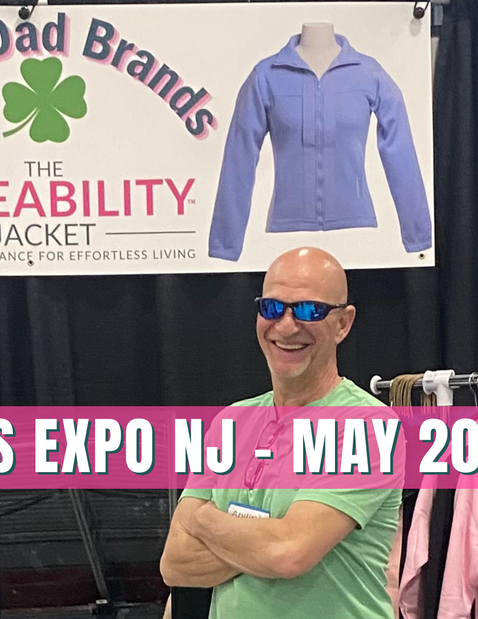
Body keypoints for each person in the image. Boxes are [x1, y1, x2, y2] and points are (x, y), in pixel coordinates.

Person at [159, 247, 405, 619]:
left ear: (343, 323)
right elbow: (176, 565)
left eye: (309, 310)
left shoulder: (368, 426)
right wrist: (267, 540)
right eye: (273, 308)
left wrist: (202, 519)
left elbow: (288, 553)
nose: (287, 326)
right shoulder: (232, 421)